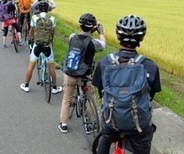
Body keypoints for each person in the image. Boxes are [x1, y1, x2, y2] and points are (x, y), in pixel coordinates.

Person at [93, 15, 161, 154]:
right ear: (141, 38)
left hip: (111, 121)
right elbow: (151, 96)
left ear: (118, 37)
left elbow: (101, 92)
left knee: (105, 138)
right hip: (139, 126)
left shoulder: (104, 63)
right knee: (143, 142)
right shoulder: (150, 66)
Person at [58, 13, 106, 133]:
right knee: (90, 97)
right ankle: (91, 122)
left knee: (66, 99)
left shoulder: (72, 37)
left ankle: (63, 124)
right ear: (93, 27)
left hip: (69, 74)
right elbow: (103, 46)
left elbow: (80, 38)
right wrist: (100, 32)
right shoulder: (94, 43)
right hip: (84, 76)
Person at [20, 0, 62, 94]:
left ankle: (26, 85)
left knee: (31, 66)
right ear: (48, 9)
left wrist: (30, 39)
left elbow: (32, 30)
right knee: (51, 66)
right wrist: (51, 40)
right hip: (47, 45)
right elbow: (52, 32)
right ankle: (54, 87)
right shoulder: (52, 19)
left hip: (37, 44)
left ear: (38, 9)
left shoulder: (35, 17)